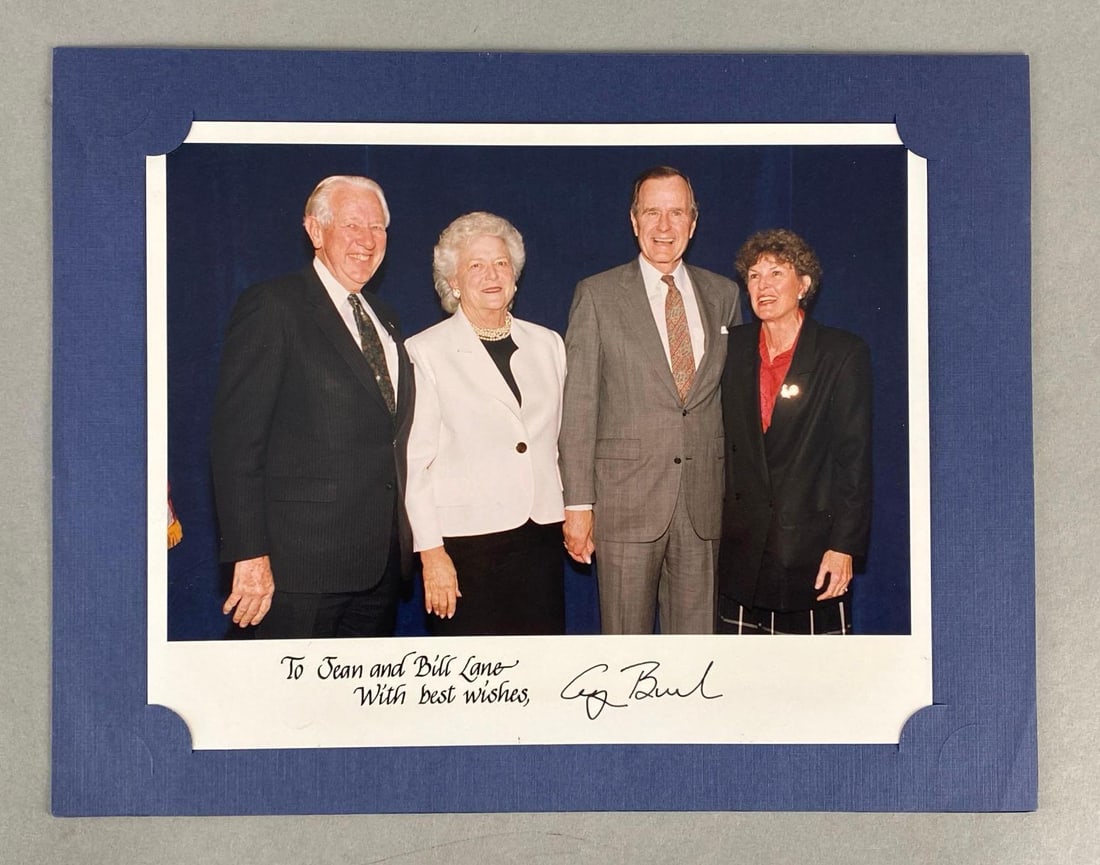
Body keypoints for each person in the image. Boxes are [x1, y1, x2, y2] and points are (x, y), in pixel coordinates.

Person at [210, 175, 413, 639]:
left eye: (378, 227)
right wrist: (249, 554)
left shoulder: (387, 318)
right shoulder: (274, 306)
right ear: (315, 231)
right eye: (352, 225)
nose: (367, 240)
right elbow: (237, 443)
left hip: (377, 568)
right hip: (295, 571)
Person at [559, 166, 741, 634]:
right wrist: (578, 506)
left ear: (693, 223)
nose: (664, 226)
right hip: (625, 503)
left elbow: (732, 402)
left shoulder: (724, 295)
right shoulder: (596, 295)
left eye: (676, 213)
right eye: (652, 213)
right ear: (634, 221)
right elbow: (578, 406)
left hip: (703, 507)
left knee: (697, 655)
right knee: (625, 649)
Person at [404, 212, 567, 635]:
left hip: (541, 537)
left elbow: (561, 441)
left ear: (515, 274)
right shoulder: (425, 351)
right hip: (465, 546)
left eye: (500, 263)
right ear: (453, 282)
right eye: (475, 265)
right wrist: (431, 554)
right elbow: (415, 464)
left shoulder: (549, 344)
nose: (491, 274)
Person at [717, 228, 872, 635]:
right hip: (743, 562)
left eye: (776, 273)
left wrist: (844, 547)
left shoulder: (841, 353)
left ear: (803, 285)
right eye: (753, 275)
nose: (762, 285)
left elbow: (853, 461)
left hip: (813, 558)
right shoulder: (731, 349)